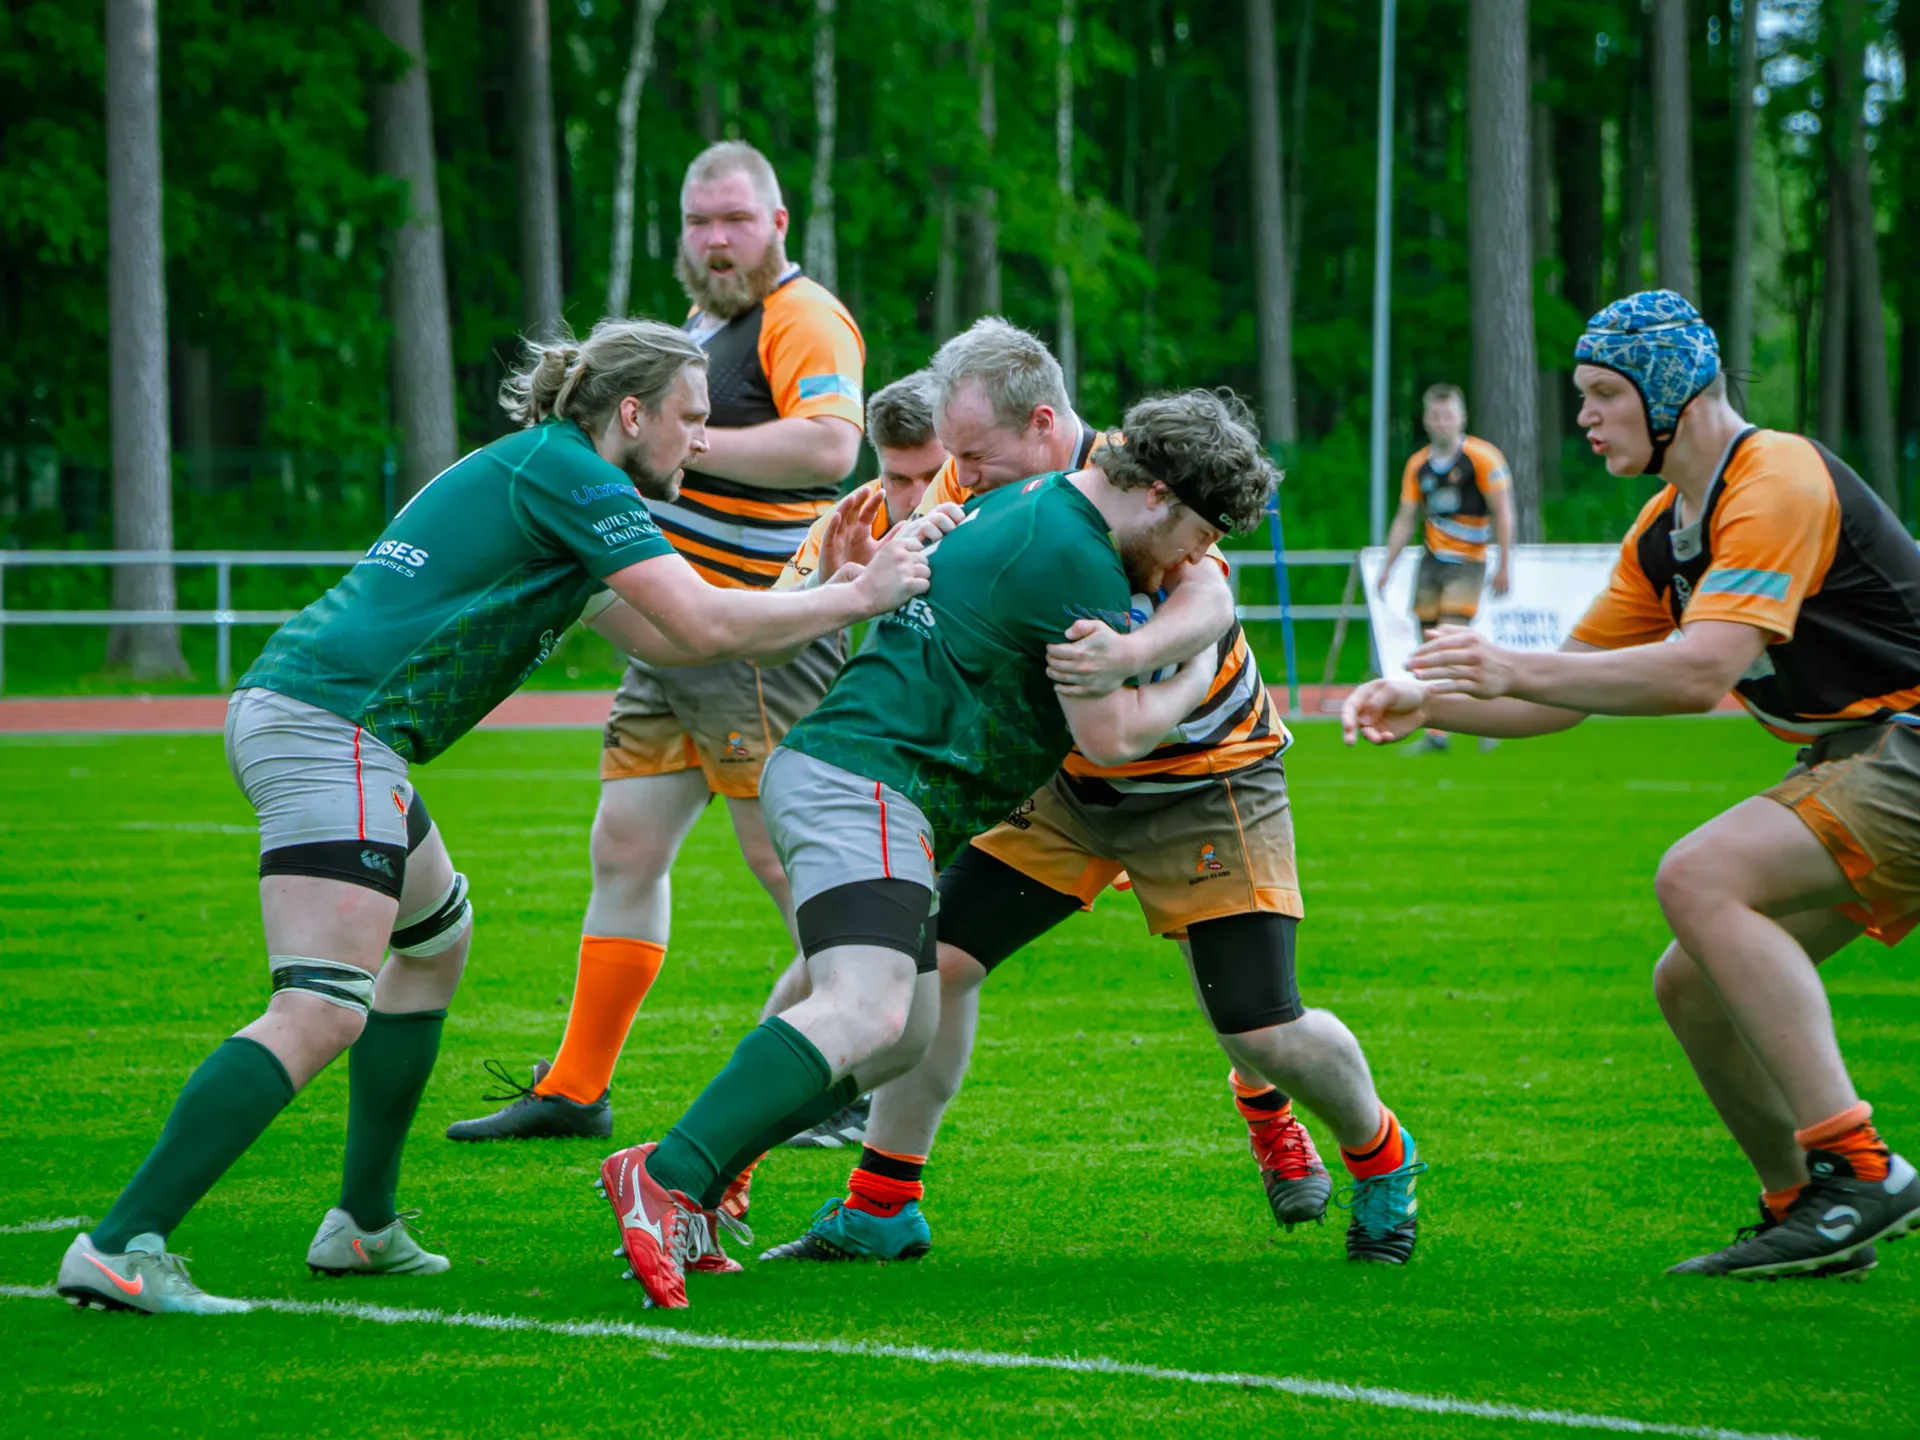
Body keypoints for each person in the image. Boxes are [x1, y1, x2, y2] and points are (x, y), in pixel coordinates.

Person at [54, 318, 934, 1315]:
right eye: (690, 417)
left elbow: (684, 642)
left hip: (331, 725)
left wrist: (829, 588)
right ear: (631, 413)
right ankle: (122, 1246)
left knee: (436, 941)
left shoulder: (553, 475)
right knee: (322, 1007)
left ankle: (362, 1228)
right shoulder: (575, 477)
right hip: (331, 725)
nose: (701, 439)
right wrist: (859, 594)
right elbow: (699, 619)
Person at [595, 388, 1278, 1310]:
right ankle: (667, 1175)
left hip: (869, 787)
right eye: (1200, 533)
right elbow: (1114, 737)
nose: (1196, 556)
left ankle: (695, 1181)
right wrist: (1197, 667)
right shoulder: (1076, 553)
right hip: (866, 783)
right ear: (1158, 494)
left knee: (903, 1034)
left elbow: (1188, 594)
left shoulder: (1038, 504)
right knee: (868, 1010)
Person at [757, 340, 1425, 1270]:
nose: (959, 476)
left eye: (974, 455)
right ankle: (882, 1205)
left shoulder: (1139, 468)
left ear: (1042, 426)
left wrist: (1130, 653)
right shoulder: (978, 480)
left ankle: (1379, 1156)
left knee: (1257, 1020)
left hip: (1205, 776)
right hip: (1067, 780)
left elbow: (1210, 591)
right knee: (935, 967)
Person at [1343, 290, 1920, 1279]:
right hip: (1864, 757)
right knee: (1690, 984)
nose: (1584, 416)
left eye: (1603, 394)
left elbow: (1699, 673)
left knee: (1701, 876)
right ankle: (1807, 1207)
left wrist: (1509, 666)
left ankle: (1861, 1170)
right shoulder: (1666, 528)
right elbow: (1563, 695)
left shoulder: (1775, 477)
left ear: (1670, 394)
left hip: (1901, 746)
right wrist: (1426, 702)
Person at [448, 141, 870, 1143]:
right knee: (626, 848)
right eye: (698, 221)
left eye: (735, 220)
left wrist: (684, 436)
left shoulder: (801, 315)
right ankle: (577, 1089)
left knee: (792, 863)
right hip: (679, 637)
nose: (715, 240)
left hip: (754, 635)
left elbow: (831, 444)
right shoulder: (699, 325)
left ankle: (843, 1078)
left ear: (778, 223)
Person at [1377, 383, 1515, 753]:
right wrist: (1388, 565)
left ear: (1462, 417)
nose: (1442, 422)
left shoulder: (1483, 457)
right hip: (1431, 562)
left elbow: (1503, 511)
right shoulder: (1417, 464)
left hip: (1468, 563)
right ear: (1426, 420)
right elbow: (1406, 517)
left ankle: (1488, 720)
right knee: (1429, 646)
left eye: (1448, 415)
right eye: (1435, 416)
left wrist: (1504, 563)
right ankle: (1438, 733)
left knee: (1450, 641)